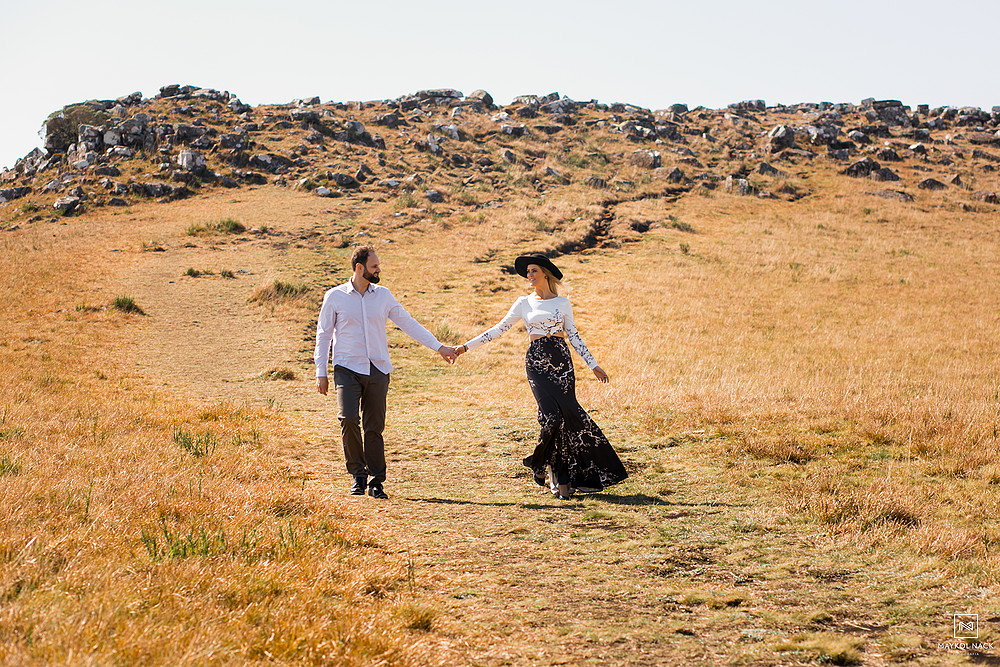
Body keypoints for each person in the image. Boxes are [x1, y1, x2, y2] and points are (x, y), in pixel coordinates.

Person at [455, 253, 627, 499]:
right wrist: (464, 347)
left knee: (569, 417)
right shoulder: (523, 303)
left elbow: (574, 337)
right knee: (552, 417)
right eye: (527, 272)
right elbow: (497, 330)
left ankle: (556, 473)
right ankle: (541, 463)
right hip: (536, 362)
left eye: (533, 270)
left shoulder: (562, 303)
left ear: (545, 273)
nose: (529, 275)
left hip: (562, 363)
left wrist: (593, 365)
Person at [315, 246, 457, 499]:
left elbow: (408, 323)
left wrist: (439, 347)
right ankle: (358, 474)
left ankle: (376, 480)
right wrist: (320, 372)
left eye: (378, 265)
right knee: (348, 419)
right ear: (359, 268)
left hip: (378, 368)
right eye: (374, 266)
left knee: (374, 428)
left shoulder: (384, 296)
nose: (379, 269)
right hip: (346, 368)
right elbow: (324, 334)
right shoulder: (335, 296)